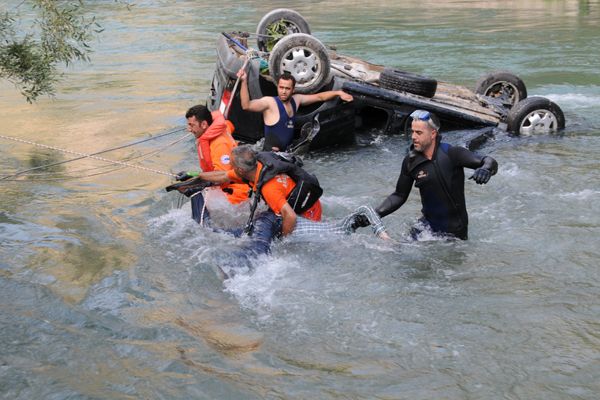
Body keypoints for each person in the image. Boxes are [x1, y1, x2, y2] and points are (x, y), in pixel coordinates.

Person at [194, 145, 388, 259]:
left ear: (242, 171)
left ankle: (243, 250)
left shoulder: (269, 187)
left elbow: (290, 216)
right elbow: (222, 176)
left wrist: (283, 242)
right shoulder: (259, 164)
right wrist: (196, 177)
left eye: (233, 167)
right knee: (263, 221)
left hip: (307, 213)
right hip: (299, 202)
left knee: (281, 232)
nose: (231, 169)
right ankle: (225, 234)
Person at [356, 110, 498, 240]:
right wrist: (374, 214)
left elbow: (488, 160)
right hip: (425, 228)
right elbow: (399, 195)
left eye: (419, 133)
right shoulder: (410, 162)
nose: (413, 137)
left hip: (453, 233)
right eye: (412, 132)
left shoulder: (452, 154)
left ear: (433, 134)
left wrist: (486, 169)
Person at [237, 68, 354, 152]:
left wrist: (338, 93)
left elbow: (319, 97)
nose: (283, 91)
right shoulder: (269, 103)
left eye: (287, 88)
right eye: (281, 87)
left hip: (288, 152)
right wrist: (243, 81)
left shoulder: (296, 100)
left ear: (293, 90)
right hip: (270, 154)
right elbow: (246, 105)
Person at [175, 105, 249, 224]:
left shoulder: (219, 145)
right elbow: (229, 125)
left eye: (192, 125)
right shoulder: (215, 130)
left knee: (193, 221)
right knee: (184, 214)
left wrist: (195, 178)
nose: (189, 129)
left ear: (204, 124)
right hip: (222, 190)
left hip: (235, 197)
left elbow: (223, 177)